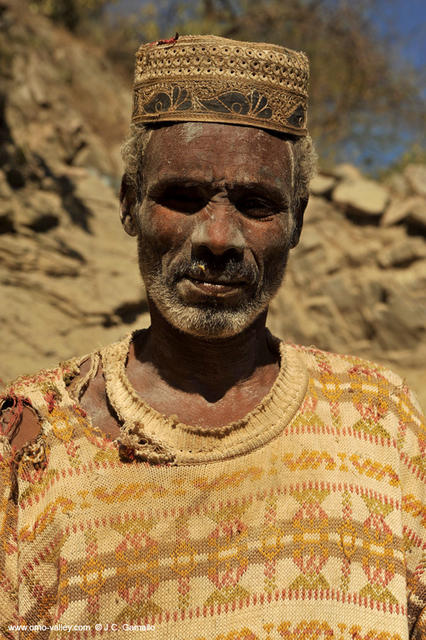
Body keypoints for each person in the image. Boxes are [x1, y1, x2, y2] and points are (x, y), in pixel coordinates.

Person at [0, 35, 424, 640]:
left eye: (255, 204)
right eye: (182, 197)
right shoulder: (35, 442)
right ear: (128, 206)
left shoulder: (382, 420)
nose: (218, 237)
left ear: (297, 221)